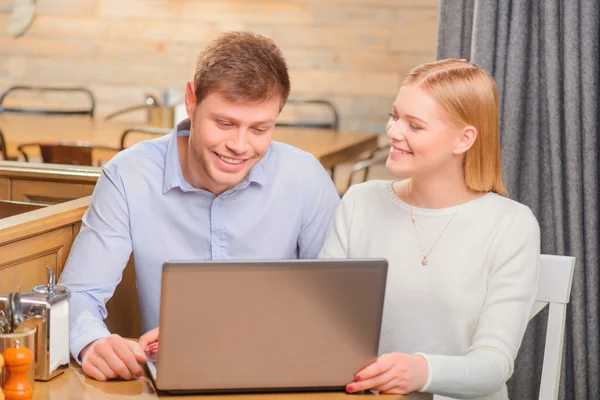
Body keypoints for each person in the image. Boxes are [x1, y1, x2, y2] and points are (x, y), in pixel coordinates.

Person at [58, 31, 340, 382]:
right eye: (225, 123)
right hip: (174, 383)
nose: (239, 145)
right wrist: (92, 342)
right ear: (191, 101)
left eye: (259, 129)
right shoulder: (128, 175)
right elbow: (78, 296)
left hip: (281, 378)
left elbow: (335, 307)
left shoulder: (305, 178)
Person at [318, 59, 540, 399]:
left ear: (463, 139)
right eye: (395, 116)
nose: (393, 131)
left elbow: (494, 367)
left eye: (415, 126)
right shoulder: (359, 202)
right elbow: (319, 324)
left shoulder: (511, 225)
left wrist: (422, 372)